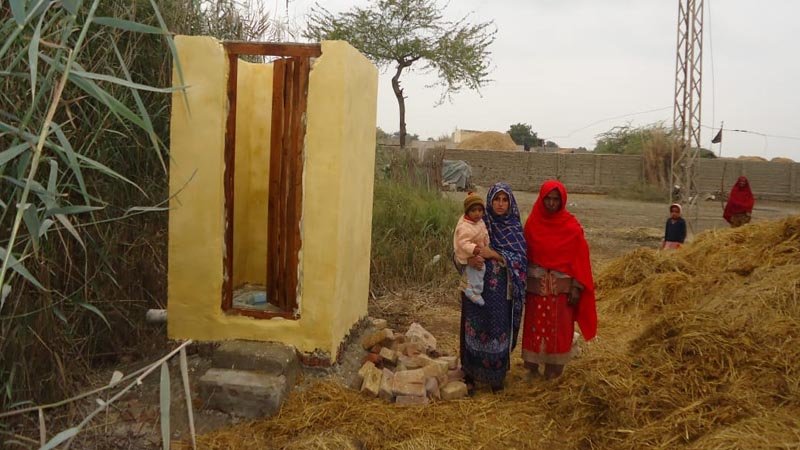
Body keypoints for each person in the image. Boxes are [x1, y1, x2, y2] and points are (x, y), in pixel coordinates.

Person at [522, 180, 597, 380]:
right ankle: (531, 368)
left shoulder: (571, 227)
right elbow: (524, 255)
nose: (551, 203)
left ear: (562, 201)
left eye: (556, 199)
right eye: (548, 198)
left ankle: (554, 370)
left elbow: (581, 259)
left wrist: (577, 288)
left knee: (560, 330)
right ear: (541, 198)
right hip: (536, 290)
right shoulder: (532, 224)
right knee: (534, 328)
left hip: (561, 292)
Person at [458, 183, 528, 393]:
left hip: (500, 296)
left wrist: (495, 255)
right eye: (496, 199)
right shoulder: (478, 220)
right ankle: (470, 374)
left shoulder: (514, 228)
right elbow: (457, 248)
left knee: (498, 331)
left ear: (510, 203)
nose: (500, 204)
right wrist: (468, 261)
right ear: (489, 201)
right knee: (473, 329)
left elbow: (522, 261)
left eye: (504, 199)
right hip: (475, 292)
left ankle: (496, 377)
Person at [453, 192, 490, 305]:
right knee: (477, 269)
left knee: (479, 270)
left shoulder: (480, 221)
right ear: (467, 212)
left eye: (480, 210)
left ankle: (472, 289)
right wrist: (473, 251)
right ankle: (473, 290)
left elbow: (484, 234)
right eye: (473, 211)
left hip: (480, 252)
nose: (477, 213)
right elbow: (462, 243)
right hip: (472, 254)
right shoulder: (465, 226)